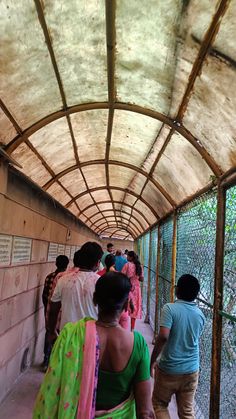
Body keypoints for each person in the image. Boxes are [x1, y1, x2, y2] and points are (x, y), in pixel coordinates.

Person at [33, 272, 154, 419]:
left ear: (95, 299)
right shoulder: (138, 345)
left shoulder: (71, 335)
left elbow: (52, 389)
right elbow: (145, 412)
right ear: (126, 304)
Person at [151, 274, 206, 419]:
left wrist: (152, 361)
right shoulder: (200, 315)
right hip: (192, 369)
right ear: (196, 294)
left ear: (176, 290)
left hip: (169, 368)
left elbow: (163, 336)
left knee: (160, 404)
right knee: (187, 411)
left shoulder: (169, 309)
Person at [47, 242, 103, 340]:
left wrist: (52, 332)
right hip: (92, 338)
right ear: (97, 262)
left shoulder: (63, 280)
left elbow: (53, 310)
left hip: (67, 337)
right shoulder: (101, 282)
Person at [42, 255, 69, 369]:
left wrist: (47, 307)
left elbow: (44, 295)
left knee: (49, 332)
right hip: (62, 312)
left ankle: (46, 360)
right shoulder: (67, 278)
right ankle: (55, 362)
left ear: (56, 264)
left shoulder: (49, 277)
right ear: (67, 265)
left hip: (49, 309)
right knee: (60, 335)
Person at [122, 251, 144, 331]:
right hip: (137, 289)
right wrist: (136, 276)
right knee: (134, 309)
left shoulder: (127, 265)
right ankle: (132, 329)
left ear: (131, 257)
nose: (127, 257)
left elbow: (122, 276)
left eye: (128, 256)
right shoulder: (139, 266)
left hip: (128, 288)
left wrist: (129, 277)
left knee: (125, 306)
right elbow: (141, 279)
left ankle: (123, 327)